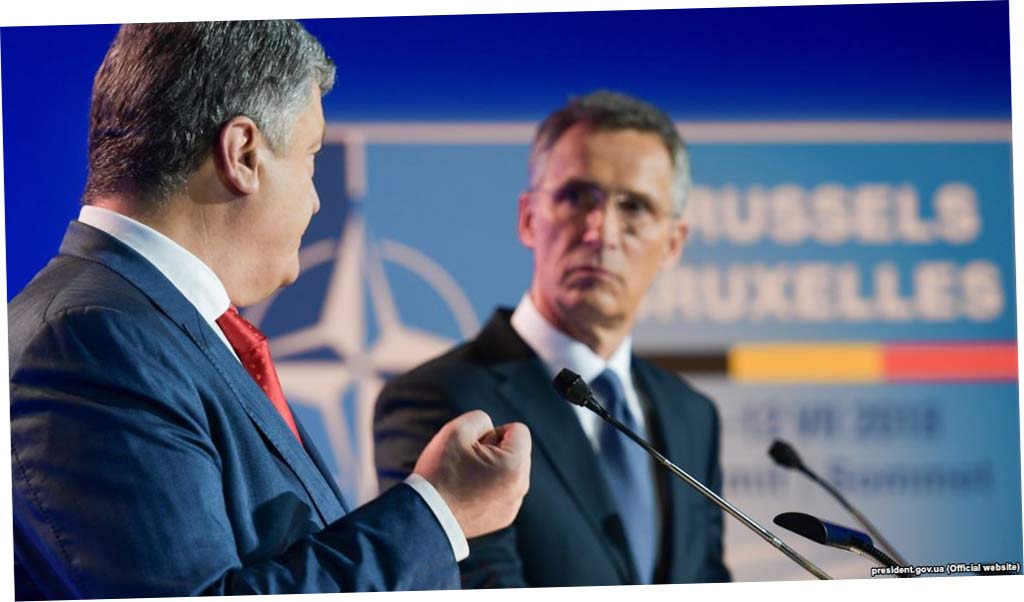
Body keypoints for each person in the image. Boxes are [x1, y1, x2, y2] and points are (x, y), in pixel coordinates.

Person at [8, 21, 530, 599]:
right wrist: (440, 512)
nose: (316, 200)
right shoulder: (91, 340)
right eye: (311, 157)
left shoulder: (143, 328)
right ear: (243, 154)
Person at [375, 90, 730, 587]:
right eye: (578, 198)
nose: (601, 232)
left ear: (673, 244)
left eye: (634, 207)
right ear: (528, 219)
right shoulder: (438, 401)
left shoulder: (691, 415)